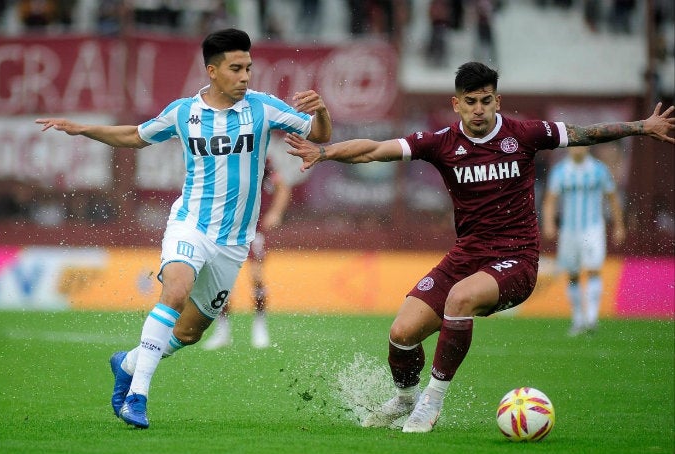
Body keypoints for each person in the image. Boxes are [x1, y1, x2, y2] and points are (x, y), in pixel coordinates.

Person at [284, 61, 675, 433]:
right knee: (402, 334)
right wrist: (324, 151)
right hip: (467, 257)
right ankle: (406, 398)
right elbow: (375, 149)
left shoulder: (523, 134)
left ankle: (432, 402)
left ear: (497, 101)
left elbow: (585, 133)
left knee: (458, 299)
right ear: (457, 104)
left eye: (486, 100)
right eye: (470, 101)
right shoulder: (440, 142)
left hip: (516, 260)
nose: (478, 109)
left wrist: (642, 126)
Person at [35, 28, 331, 429]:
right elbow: (134, 137)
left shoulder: (264, 107)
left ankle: (127, 363)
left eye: (248, 68)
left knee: (190, 333)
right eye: (236, 68)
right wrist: (82, 128)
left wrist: (323, 111)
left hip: (233, 243)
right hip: (190, 223)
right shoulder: (183, 113)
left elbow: (319, 135)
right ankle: (137, 397)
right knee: (174, 291)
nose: (245, 76)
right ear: (212, 71)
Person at [202, 140, 306, 350]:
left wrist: (276, 213)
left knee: (256, 276)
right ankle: (223, 330)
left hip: (252, 229)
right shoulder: (219, 160)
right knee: (222, 281)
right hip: (226, 229)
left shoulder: (260, 160)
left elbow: (282, 186)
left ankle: (260, 327)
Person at [542, 146, 625, 336]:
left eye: (580, 144)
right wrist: (548, 222)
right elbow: (550, 199)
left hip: (593, 228)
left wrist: (619, 225)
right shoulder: (560, 170)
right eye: (573, 145)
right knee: (572, 274)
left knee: (593, 269)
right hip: (569, 230)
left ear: (587, 146)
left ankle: (592, 318)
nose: (576, 149)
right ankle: (578, 319)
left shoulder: (599, 169)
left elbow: (612, 197)